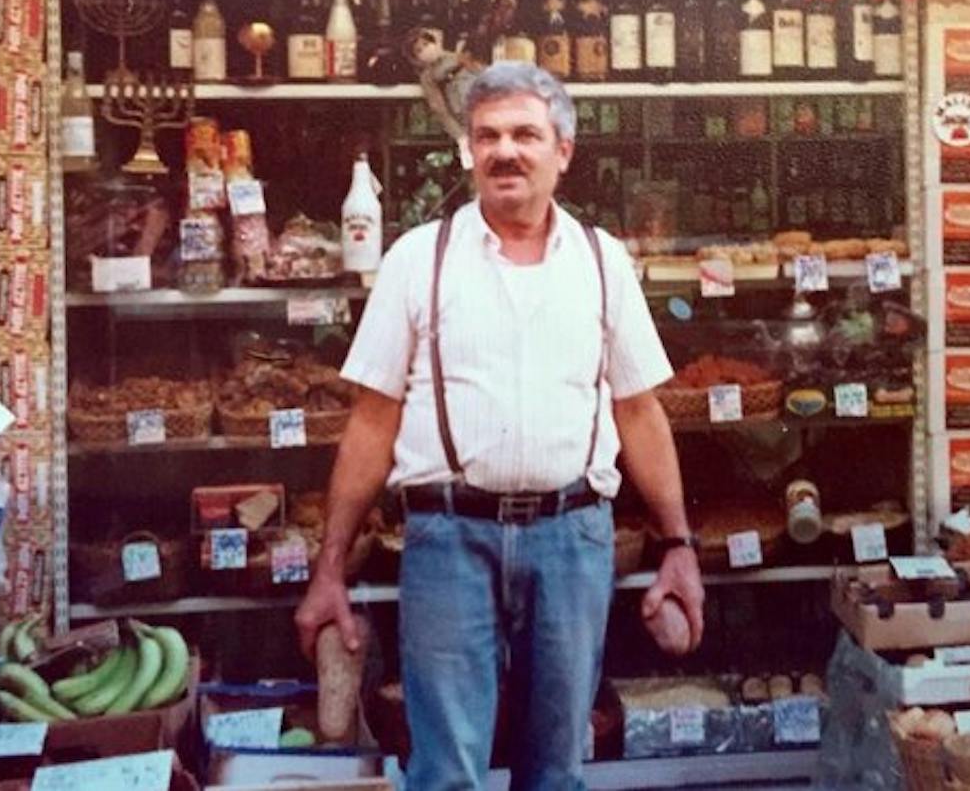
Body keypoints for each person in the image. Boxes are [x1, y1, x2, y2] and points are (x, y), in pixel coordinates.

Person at [295, 63, 703, 791]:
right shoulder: (417, 260)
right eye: (486, 137)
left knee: (555, 768)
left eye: (524, 135)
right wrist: (330, 564)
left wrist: (678, 546)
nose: (504, 151)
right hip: (448, 540)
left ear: (562, 152)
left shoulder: (602, 263)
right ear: (469, 152)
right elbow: (371, 421)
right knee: (446, 769)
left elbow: (638, 411)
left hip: (573, 539)